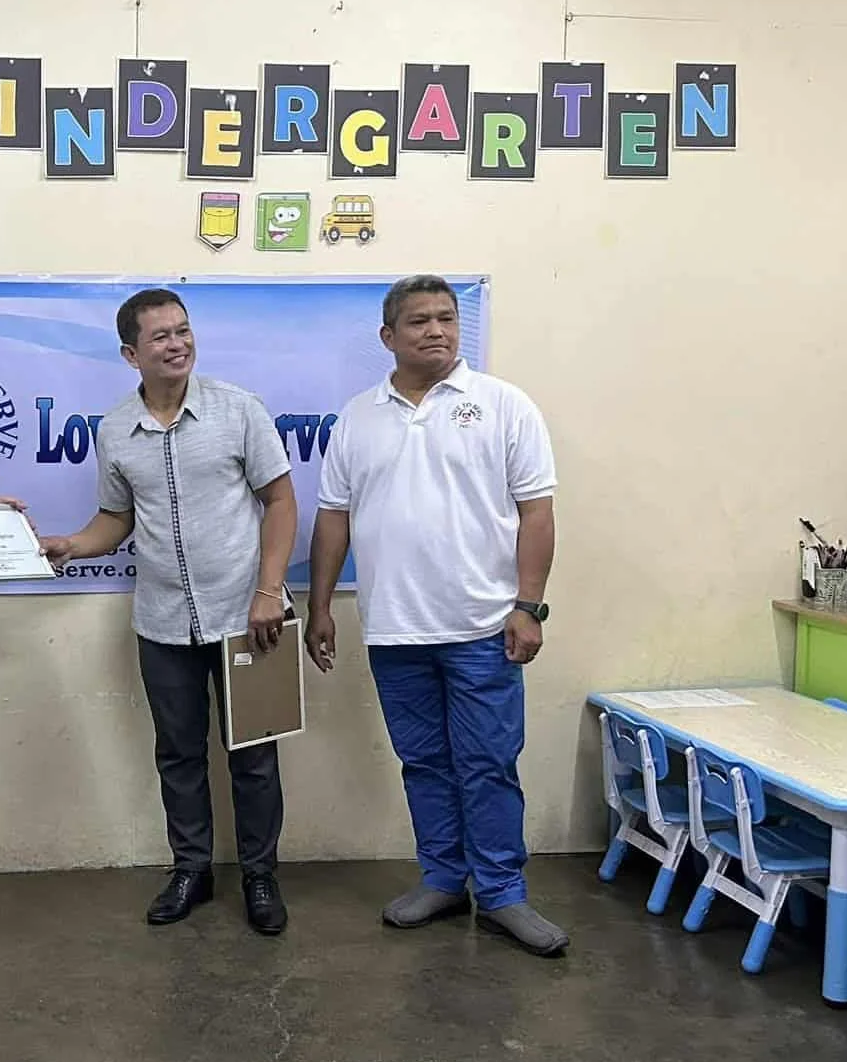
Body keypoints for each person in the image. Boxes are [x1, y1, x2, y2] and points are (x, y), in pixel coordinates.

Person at [305, 274, 567, 957]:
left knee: (488, 764)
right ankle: (444, 879)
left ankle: (503, 892)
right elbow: (333, 518)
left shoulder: (505, 406)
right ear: (388, 336)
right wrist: (320, 605)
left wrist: (528, 606)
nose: (436, 330)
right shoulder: (357, 417)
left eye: (446, 318)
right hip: (395, 630)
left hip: (483, 628)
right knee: (423, 763)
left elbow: (537, 514)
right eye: (419, 320)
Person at [41, 288, 298, 934]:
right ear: (131, 354)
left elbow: (281, 502)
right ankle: (191, 869)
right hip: (162, 624)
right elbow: (115, 519)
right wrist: (74, 545)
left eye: (183, 330)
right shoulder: (115, 431)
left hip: (249, 619)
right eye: (160, 336)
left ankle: (260, 876)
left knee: (254, 756)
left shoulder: (238, 409)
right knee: (178, 755)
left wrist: (268, 591)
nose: (177, 344)